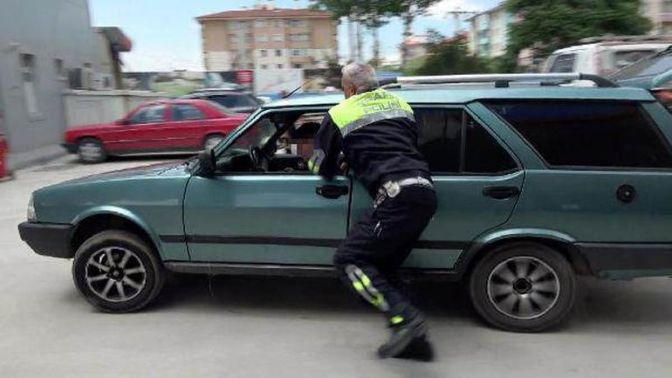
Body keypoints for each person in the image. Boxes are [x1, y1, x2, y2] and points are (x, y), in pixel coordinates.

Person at [308, 63, 438, 359]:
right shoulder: (401, 104)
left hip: (395, 197)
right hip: (424, 192)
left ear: (350, 89)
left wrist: (337, 159)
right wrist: (355, 157)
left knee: (349, 259)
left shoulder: (341, 112)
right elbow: (399, 146)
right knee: (384, 267)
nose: (344, 93)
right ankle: (413, 342)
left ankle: (406, 320)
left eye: (344, 88)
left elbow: (319, 166)